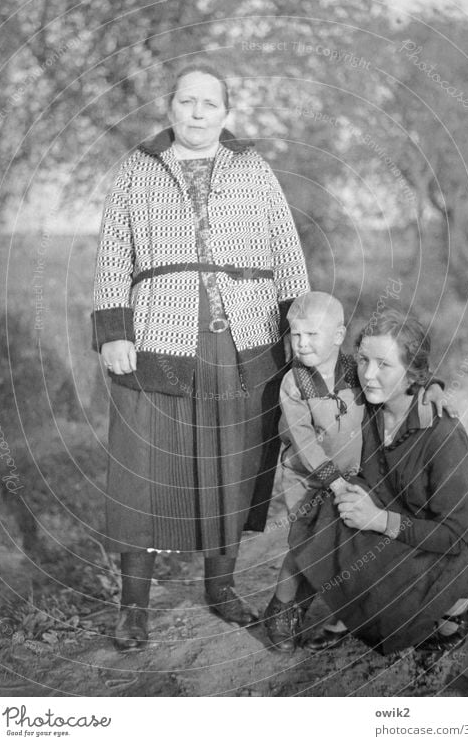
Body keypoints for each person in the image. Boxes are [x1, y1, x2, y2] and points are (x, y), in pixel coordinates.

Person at [91, 63, 309, 651]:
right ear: (170, 108)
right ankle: (134, 608)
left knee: (233, 465)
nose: (197, 113)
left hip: (244, 339)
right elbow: (114, 253)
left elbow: (287, 249)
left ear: (226, 113)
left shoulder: (254, 169)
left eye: (209, 104)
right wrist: (114, 331)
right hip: (158, 337)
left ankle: (221, 588)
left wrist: (299, 325)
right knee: (143, 470)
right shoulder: (136, 171)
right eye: (187, 102)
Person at [267, 308, 468, 655]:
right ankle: (346, 609)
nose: (369, 375)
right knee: (332, 508)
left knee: (402, 587)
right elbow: (317, 361)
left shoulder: (443, 435)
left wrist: (379, 521)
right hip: (393, 513)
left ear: (412, 374)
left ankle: (461, 605)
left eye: (385, 366)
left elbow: (454, 534)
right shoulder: (366, 402)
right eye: (363, 360)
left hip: (445, 540)